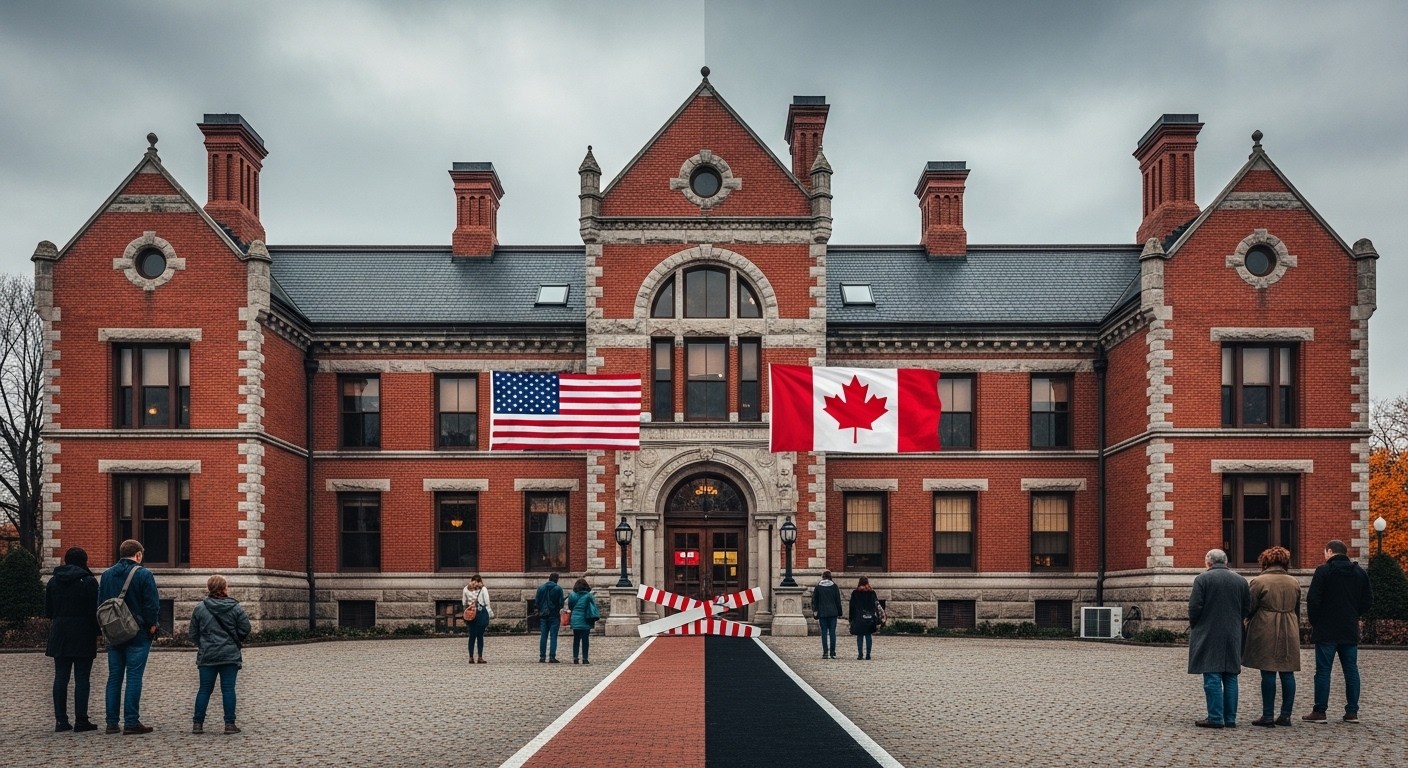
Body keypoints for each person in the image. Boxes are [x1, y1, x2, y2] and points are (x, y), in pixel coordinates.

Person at [1304, 539, 1373, 723]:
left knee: (1323, 671)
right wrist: (1353, 613)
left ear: (1329, 552)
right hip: (1349, 628)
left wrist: (1315, 621)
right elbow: (1368, 601)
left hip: (1326, 629)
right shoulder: (1359, 572)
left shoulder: (1323, 571)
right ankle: (1352, 711)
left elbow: (1313, 600)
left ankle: (1320, 711)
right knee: (1351, 670)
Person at [98, 539, 161, 735]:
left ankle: (111, 722)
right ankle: (131, 721)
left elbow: (101, 604)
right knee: (134, 676)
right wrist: (152, 625)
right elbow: (152, 604)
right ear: (138, 554)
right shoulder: (144, 574)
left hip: (113, 632)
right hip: (138, 632)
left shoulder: (106, 575)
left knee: (114, 677)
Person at [1187, 548, 1251, 729]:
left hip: (1209, 631)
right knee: (1231, 675)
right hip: (1233, 632)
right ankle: (1229, 718)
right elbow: (1247, 606)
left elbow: (1194, 607)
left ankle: (1215, 717)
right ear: (1226, 561)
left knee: (1212, 674)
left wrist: (1196, 625)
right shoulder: (1240, 580)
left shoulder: (1202, 579)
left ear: (1209, 561)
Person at [1243, 546, 1301, 727]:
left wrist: (1247, 622)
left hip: (1265, 625)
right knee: (1287, 671)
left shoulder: (1259, 581)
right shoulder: (1294, 582)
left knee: (1267, 671)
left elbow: (1249, 607)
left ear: (1265, 562)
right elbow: (1298, 609)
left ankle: (1267, 715)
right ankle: (1286, 715)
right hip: (1289, 625)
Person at [45, 546, 100, 733]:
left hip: (60, 632)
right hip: (84, 632)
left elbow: (48, 611)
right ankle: (81, 719)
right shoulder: (90, 581)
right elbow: (96, 610)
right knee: (82, 678)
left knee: (61, 677)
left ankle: (61, 720)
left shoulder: (53, 581)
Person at [189, 575, 251, 734]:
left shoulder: (200, 607)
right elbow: (246, 628)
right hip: (229, 654)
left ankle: (198, 724)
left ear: (209, 589)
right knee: (228, 689)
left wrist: (203, 644)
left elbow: (193, 634)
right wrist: (235, 640)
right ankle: (229, 724)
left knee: (204, 689)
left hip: (208, 654)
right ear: (224, 589)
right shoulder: (235, 607)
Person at [848, 576, 881, 660]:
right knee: (868, 635)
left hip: (858, 617)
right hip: (870, 617)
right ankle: (868, 654)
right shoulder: (872, 592)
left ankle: (860, 654)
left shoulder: (855, 593)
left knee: (860, 636)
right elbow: (876, 606)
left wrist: (851, 619)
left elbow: (851, 607)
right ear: (867, 582)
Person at [811, 570, 842, 659]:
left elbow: (814, 601)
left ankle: (825, 652)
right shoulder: (834, 586)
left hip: (822, 612)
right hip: (833, 612)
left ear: (823, 577)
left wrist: (815, 611)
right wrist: (839, 612)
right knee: (832, 633)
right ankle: (832, 652)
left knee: (824, 633)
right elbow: (838, 601)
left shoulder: (818, 587)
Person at [535, 572, 565, 663]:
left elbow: (537, 602)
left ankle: (542, 657)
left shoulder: (541, 588)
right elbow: (561, 604)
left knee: (543, 636)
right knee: (553, 636)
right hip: (554, 615)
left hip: (543, 615)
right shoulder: (558, 589)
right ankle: (552, 657)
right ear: (557, 579)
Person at [566, 578, 598, 665]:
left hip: (575, 618)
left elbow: (570, 606)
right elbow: (594, 606)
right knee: (585, 640)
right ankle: (585, 658)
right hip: (586, 619)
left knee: (576, 639)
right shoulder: (589, 595)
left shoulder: (572, 595)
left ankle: (575, 657)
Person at [463, 574, 492, 664]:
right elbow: (487, 602)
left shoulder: (465, 589)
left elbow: (464, 602)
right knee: (480, 636)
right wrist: (489, 614)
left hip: (471, 614)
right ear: (480, 581)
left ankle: (471, 657)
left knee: (471, 636)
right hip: (480, 613)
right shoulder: (483, 589)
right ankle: (480, 657)